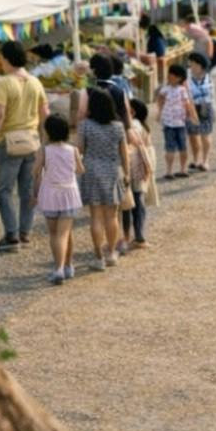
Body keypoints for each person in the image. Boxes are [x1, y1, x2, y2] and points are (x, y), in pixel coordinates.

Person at [0, 38, 48, 253]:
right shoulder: (35, 82)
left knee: (4, 191)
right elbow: (45, 113)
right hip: (32, 141)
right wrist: (43, 141)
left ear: (6, 59)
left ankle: (11, 235)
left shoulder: (4, 83)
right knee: (27, 191)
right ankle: (25, 232)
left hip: (9, 143)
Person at [78, 85, 129, 269]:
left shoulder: (85, 125)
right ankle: (112, 253)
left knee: (96, 217)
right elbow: (124, 153)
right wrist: (127, 174)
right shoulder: (118, 127)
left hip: (92, 171)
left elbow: (80, 149)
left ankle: (98, 256)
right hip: (113, 171)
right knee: (112, 216)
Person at [32, 112, 83, 283]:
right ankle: (68, 266)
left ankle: (59, 269)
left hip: (51, 195)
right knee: (66, 232)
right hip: (69, 193)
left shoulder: (44, 150)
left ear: (48, 132)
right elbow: (80, 170)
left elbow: (35, 171)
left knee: (56, 234)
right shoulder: (73, 150)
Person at [121, 97, 153, 251]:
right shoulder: (142, 125)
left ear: (132, 112)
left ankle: (127, 237)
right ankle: (139, 235)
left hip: (131, 166)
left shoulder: (131, 125)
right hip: (140, 168)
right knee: (139, 203)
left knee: (128, 205)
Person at [156, 62, 197, 180]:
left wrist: (192, 116)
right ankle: (169, 171)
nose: (169, 76)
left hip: (180, 123)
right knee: (170, 148)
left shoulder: (182, 90)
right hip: (169, 123)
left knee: (182, 147)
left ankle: (182, 169)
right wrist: (159, 113)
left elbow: (187, 104)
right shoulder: (165, 89)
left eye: (172, 74)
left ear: (179, 78)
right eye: (169, 74)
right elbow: (160, 100)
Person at [186, 52, 215, 172]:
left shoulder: (208, 78)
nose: (191, 66)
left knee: (205, 134)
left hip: (205, 108)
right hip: (191, 107)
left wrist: (214, 111)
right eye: (191, 63)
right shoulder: (187, 76)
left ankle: (205, 160)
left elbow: (212, 96)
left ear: (200, 65)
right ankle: (196, 159)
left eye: (193, 64)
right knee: (193, 136)